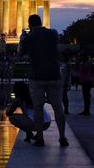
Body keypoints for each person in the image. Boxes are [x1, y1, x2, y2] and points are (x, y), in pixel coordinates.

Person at [18, 14, 68, 147]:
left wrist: (22, 39)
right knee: (58, 107)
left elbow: (20, 53)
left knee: (38, 108)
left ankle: (40, 138)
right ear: (41, 22)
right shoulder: (53, 33)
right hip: (54, 74)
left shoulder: (29, 37)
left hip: (37, 76)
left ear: (29, 25)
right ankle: (62, 137)